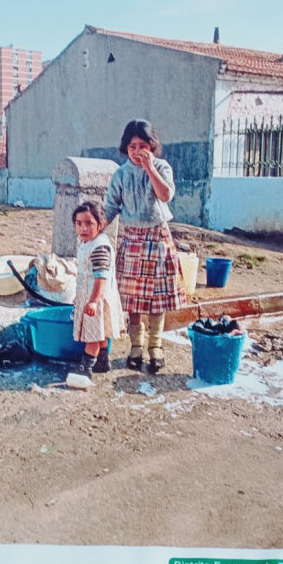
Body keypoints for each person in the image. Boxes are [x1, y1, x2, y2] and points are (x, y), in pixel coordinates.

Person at [102, 119, 186, 373]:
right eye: (132, 147)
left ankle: (155, 347)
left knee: (157, 299)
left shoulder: (162, 167)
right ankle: (136, 346)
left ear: (151, 146)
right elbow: (110, 207)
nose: (137, 151)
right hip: (132, 240)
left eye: (142, 146)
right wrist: (94, 230)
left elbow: (165, 195)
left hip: (158, 238)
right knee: (133, 300)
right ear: (125, 148)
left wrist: (150, 168)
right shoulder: (120, 174)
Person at [71, 200, 124, 374]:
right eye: (79, 223)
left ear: (100, 225)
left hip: (96, 299)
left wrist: (93, 301)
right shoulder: (87, 243)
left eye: (89, 224)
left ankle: (85, 368)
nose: (83, 228)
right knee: (99, 332)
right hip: (90, 296)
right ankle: (102, 361)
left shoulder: (99, 247)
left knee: (92, 336)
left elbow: (101, 277)